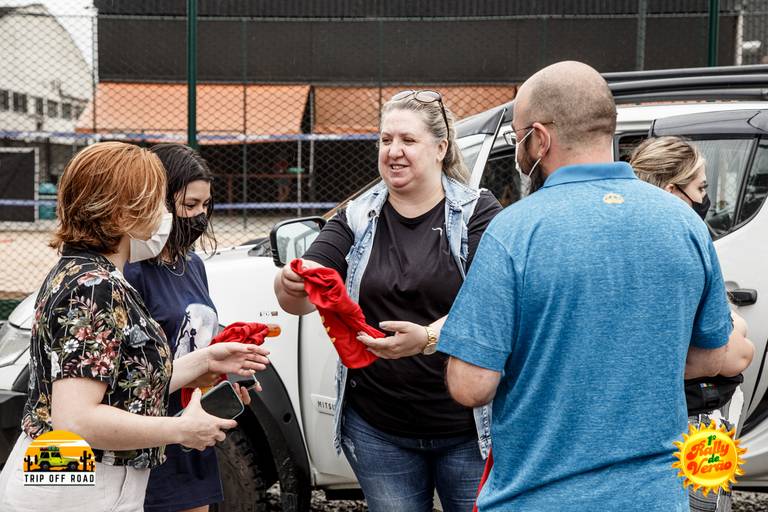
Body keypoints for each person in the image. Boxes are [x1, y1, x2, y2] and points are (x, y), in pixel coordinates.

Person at [438, 61, 734, 511]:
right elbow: (713, 354)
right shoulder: (684, 224)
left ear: (540, 138)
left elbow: (471, 385)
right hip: (655, 497)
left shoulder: (514, 231)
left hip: (537, 497)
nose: (519, 152)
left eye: (518, 137)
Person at [0, 142, 269, 511]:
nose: (167, 216)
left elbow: (120, 386)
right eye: (158, 202)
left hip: (76, 476)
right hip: (80, 484)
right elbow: (76, 419)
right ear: (122, 212)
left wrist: (205, 361)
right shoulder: (95, 287)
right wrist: (181, 430)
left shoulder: (86, 273)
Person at [274, 90, 502, 512]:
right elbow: (305, 291)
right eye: (385, 140)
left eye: (408, 140)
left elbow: (498, 307)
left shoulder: (478, 213)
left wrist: (430, 337)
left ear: (440, 148)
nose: (393, 151)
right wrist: (290, 282)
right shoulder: (356, 216)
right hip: (379, 428)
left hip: (466, 427)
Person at [630, 136, 754, 512]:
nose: (706, 200)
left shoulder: (635, 244)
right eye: (700, 187)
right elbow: (732, 354)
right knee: (705, 504)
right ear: (671, 191)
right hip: (698, 414)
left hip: (692, 413)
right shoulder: (678, 247)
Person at [123, 144, 230, 512]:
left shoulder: (193, 264)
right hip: (145, 440)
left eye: (205, 206)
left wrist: (227, 369)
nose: (200, 216)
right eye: (189, 206)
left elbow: (197, 339)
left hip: (192, 434)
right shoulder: (129, 272)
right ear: (159, 203)